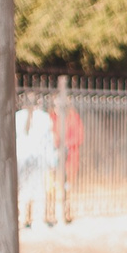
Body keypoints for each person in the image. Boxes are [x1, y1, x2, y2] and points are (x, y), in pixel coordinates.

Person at [14, 95, 58, 230]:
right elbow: (49, 142)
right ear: (38, 102)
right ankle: (37, 219)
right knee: (38, 188)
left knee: (22, 188)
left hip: (21, 157)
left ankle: (21, 218)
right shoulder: (44, 118)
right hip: (38, 158)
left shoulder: (17, 117)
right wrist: (52, 161)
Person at [55, 95, 85, 223]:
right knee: (56, 185)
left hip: (71, 156)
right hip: (56, 156)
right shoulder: (54, 117)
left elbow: (79, 136)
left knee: (69, 186)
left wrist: (67, 144)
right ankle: (57, 212)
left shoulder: (73, 117)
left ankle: (67, 212)